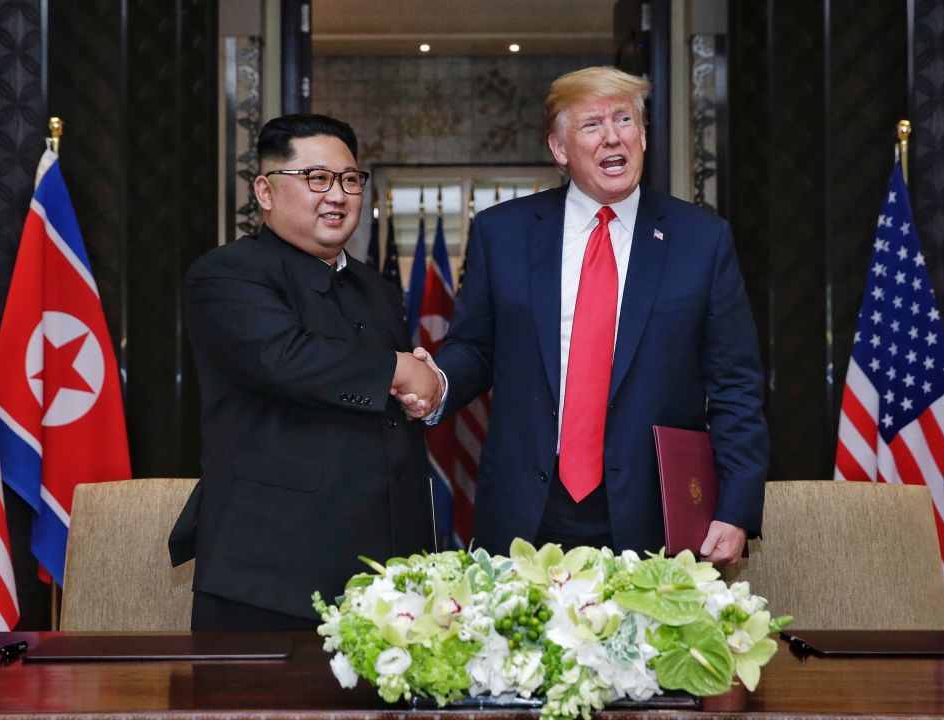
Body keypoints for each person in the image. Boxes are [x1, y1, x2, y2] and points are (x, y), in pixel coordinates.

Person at [412, 66, 768, 563]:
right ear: (560, 150)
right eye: (592, 125)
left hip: (654, 509)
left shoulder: (701, 240)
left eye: (624, 120)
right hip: (527, 506)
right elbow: (476, 346)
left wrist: (736, 508)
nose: (612, 137)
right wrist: (437, 383)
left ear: (643, 136)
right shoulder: (503, 233)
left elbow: (736, 384)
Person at [170, 114, 443, 630]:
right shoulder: (228, 273)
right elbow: (283, 359)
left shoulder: (377, 290)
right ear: (266, 192)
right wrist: (397, 369)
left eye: (349, 180)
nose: (337, 195)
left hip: (388, 577)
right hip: (272, 575)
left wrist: (416, 389)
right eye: (316, 179)